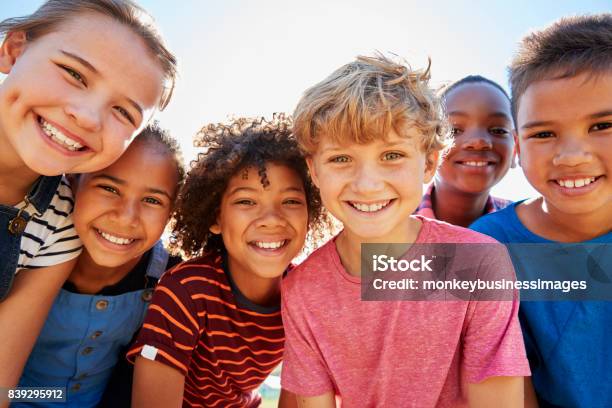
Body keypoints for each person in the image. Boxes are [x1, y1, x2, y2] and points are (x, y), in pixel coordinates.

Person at [281, 54, 530, 407]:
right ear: (315, 171)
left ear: (429, 163)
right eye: (341, 159)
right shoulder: (302, 291)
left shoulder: (478, 264)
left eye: (392, 155)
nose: (367, 185)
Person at [0, 0, 176, 393]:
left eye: (124, 112)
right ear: (13, 48)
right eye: (74, 74)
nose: (88, 116)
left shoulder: (60, 223)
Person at [128, 116, 328, 407]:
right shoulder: (187, 291)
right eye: (246, 201)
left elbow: (298, 395)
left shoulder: (304, 297)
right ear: (215, 218)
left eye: (291, 201)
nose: (272, 219)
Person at [470, 14, 612, 407]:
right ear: (517, 146)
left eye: (602, 125)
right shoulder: (489, 247)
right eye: (544, 134)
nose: (571, 156)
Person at [11, 124, 183, 408]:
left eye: (152, 200)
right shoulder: (28, 245)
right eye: (109, 188)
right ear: (72, 181)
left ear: (172, 213)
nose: (126, 218)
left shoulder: (172, 277)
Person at [415, 75, 514, 226]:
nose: (478, 141)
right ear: (428, 149)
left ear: (516, 149)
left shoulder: (529, 230)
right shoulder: (388, 227)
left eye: (498, 130)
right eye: (454, 131)